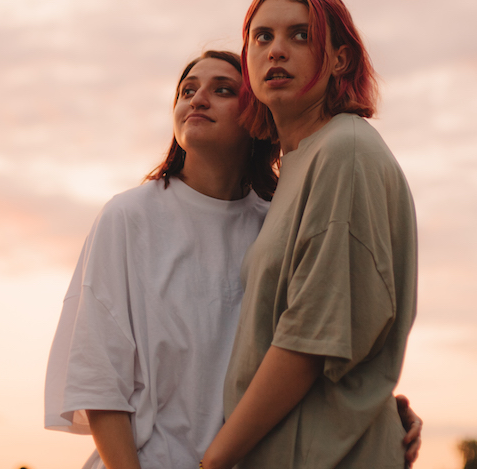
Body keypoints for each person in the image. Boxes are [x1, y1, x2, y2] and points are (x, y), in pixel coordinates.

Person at [43, 51, 421, 469]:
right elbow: (99, 379)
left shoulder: (276, 225)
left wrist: (383, 413)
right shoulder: (129, 217)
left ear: (256, 117)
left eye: (222, 90)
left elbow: (312, 344)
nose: (198, 99)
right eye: (187, 90)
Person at [202, 0, 418, 469]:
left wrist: (212, 463)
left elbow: (307, 344)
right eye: (263, 37)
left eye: (300, 36)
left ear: (340, 59)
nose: (277, 50)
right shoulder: (298, 165)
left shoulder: (345, 150)